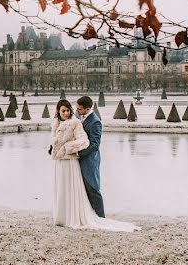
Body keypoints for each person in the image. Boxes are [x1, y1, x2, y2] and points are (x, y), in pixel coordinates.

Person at [50, 99, 138, 231]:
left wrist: (75, 151)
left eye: (78, 109)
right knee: (81, 190)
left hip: (89, 159)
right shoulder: (78, 118)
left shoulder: (95, 121)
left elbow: (95, 145)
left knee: (93, 189)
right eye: (75, 109)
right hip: (72, 159)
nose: (75, 111)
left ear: (86, 109)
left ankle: (100, 217)